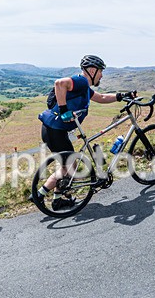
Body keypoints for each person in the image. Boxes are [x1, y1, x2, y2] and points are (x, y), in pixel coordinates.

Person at [34, 54, 136, 210]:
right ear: (93, 70)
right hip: (55, 130)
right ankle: (40, 195)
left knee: (66, 167)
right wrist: (64, 110)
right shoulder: (81, 81)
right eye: (101, 71)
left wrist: (121, 96)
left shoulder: (85, 88)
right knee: (70, 167)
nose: (101, 75)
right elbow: (59, 83)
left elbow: (101, 97)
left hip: (54, 130)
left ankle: (54, 199)